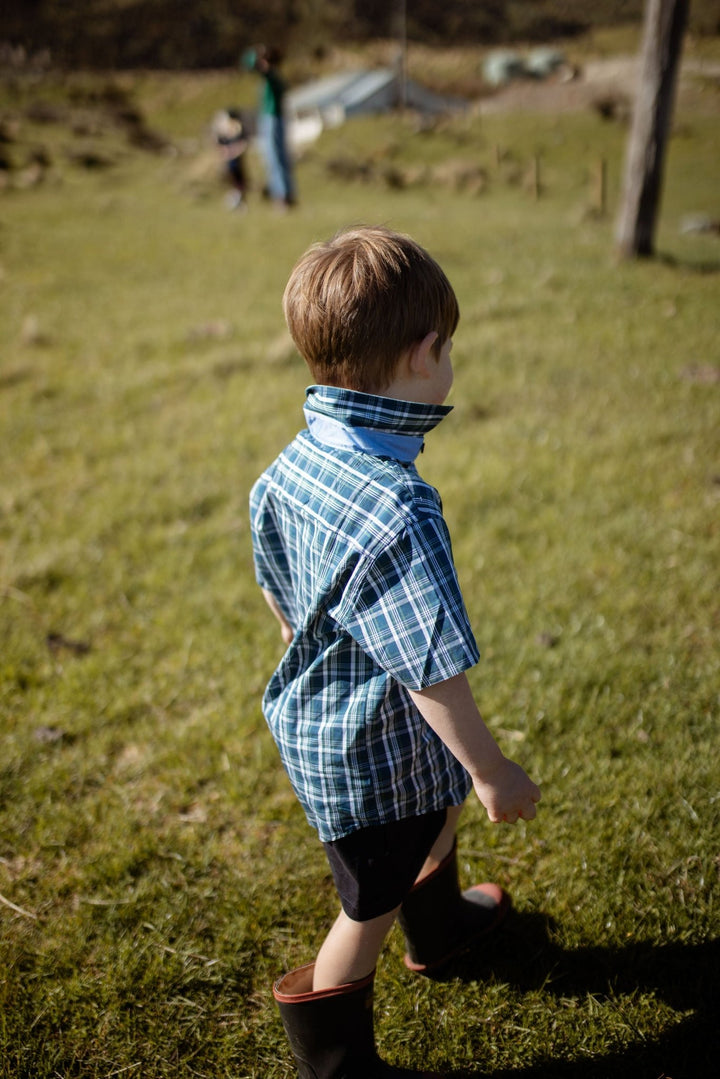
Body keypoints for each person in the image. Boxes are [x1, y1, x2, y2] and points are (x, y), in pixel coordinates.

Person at [250, 226, 542, 1078]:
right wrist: (491, 770)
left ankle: (443, 928)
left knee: (433, 809)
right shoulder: (398, 506)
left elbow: (276, 582)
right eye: (448, 348)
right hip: (367, 757)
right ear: (424, 355)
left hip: (338, 731)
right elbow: (427, 668)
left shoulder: (292, 463)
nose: (451, 362)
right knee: (365, 906)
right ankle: (337, 1065)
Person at [242, 44, 296, 209]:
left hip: (272, 118)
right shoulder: (275, 77)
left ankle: (282, 196)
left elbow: (247, 63)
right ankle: (283, 194)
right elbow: (248, 64)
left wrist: (254, 53)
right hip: (272, 118)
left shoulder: (271, 77)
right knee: (276, 157)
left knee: (274, 157)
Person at [212, 108, 248, 211]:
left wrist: (234, 152)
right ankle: (236, 202)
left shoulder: (238, 130)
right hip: (230, 164)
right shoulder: (226, 131)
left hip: (237, 163)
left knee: (239, 183)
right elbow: (219, 143)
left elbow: (243, 144)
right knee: (233, 183)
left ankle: (240, 203)